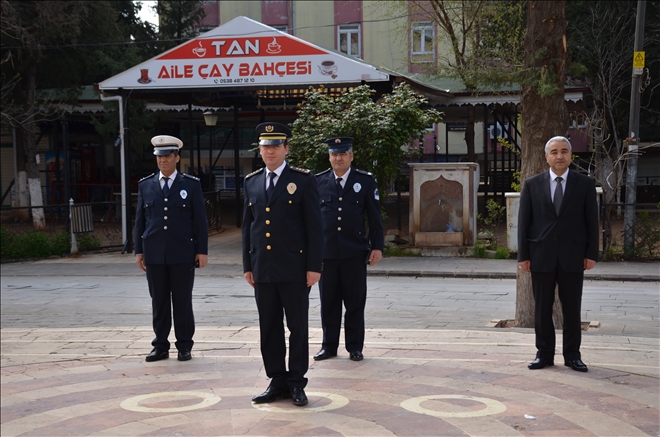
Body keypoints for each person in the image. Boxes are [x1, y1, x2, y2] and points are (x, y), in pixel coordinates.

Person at [242, 122, 323, 407]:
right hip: (262, 268)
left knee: (297, 327)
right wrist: (247, 264)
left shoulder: (302, 180)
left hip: (295, 268)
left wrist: (314, 266)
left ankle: (296, 383)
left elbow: (315, 226)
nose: (270, 151)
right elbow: (248, 227)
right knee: (269, 327)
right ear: (260, 150)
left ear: (286, 149)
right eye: (265, 147)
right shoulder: (251, 181)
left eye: (276, 146)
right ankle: (276, 381)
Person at [518, 136, 598, 372]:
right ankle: (544, 354)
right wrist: (523, 256)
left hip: (573, 256)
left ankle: (573, 355)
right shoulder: (532, 184)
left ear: (571, 155)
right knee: (542, 308)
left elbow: (591, 222)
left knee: (572, 308)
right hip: (540, 255)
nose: (559, 156)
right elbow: (524, 223)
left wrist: (591, 253)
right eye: (554, 152)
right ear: (547, 157)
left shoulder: (584, 184)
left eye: (564, 151)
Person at [134, 135, 208, 363]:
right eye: (159, 157)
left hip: (182, 252)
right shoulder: (146, 185)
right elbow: (140, 221)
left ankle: (184, 345)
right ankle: (160, 345)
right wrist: (139, 250)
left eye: (167, 156)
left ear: (177, 157)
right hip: (154, 253)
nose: (163, 161)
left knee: (182, 301)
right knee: (159, 300)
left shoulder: (191, 185)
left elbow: (200, 221)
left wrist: (202, 250)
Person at [313, 137, 384, 362]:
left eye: (343, 154)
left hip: (354, 253)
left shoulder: (364, 181)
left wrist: (377, 247)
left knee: (355, 302)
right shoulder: (318, 182)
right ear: (329, 157)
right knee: (329, 303)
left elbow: (374, 218)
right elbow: (311, 221)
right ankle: (329, 346)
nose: (338, 158)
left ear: (351, 156)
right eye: (334, 154)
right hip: (327, 254)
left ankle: (355, 346)